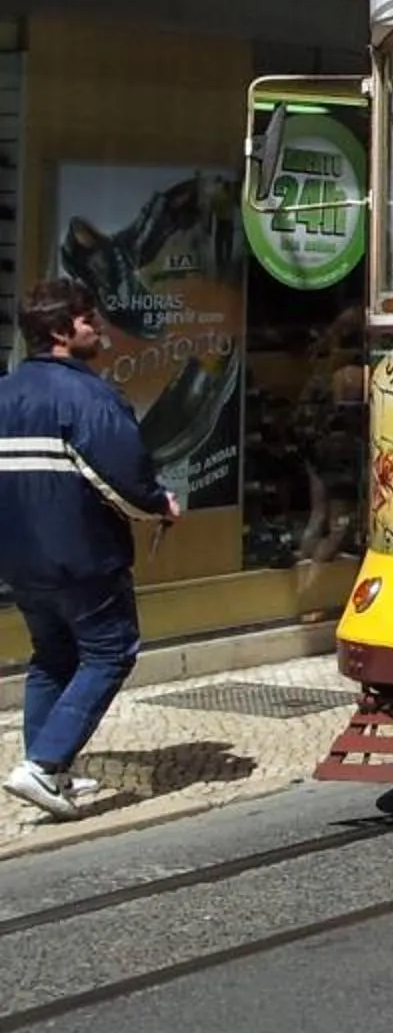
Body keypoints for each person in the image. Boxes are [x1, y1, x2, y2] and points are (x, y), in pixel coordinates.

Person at [0, 278, 179, 820]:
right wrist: (160, 505)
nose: (98, 326)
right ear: (59, 331)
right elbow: (123, 475)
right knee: (109, 650)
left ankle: (45, 769)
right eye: (87, 319)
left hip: (18, 558)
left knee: (52, 657)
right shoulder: (89, 396)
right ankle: (41, 766)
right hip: (82, 555)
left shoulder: (6, 392)